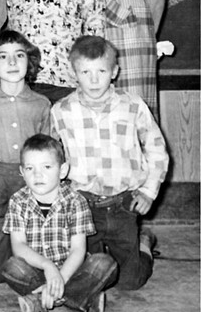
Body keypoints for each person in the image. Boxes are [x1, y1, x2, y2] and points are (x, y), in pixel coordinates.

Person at [51, 35, 168, 290]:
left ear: (114, 71)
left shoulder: (133, 105)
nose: (94, 80)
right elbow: (51, 159)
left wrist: (148, 191)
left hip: (123, 204)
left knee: (129, 282)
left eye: (101, 71)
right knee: (92, 277)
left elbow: (157, 150)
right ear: (74, 74)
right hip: (82, 205)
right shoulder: (61, 111)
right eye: (85, 72)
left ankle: (143, 244)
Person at [2, 134, 118, 312]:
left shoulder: (75, 201)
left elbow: (78, 250)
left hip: (71, 271)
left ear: (62, 170)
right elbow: (19, 246)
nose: (38, 175)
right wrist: (47, 267)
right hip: (37, 271)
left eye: (47, 167)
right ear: (22, 172)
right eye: (30, 168)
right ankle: (81, 297)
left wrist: (60, 279)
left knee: (104, 264)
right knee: (12, 267)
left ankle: (43, 298)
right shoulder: (17, 201)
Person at [0, 30, 51, 283]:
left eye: (19, 55)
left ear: (30, 61)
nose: (12, 63)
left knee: (28, 240)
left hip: (29, 178)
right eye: (3, 57)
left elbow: (47, 147)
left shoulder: (41, 103)